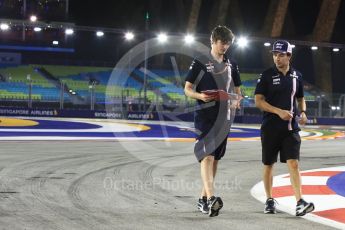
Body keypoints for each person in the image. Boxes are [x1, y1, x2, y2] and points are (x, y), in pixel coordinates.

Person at [184, 25, 242, 217]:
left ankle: (203, 199)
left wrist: (236, 101)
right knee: (207, 156)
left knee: (215, 159)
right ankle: (211, 198)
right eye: (221, 42)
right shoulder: (200, 62)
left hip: (224, 118)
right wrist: (200, 96)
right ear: (213, 41)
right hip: (204, 116)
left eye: (228, 43)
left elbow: (238, 91)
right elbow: (187, 89)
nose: (225, 46)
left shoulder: (232, 64)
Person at [254, 40, 315, 216]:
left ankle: (299, 202)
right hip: (270, 128)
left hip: (291, 129)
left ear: (289, 56)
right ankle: (269, 200)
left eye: (281, 54)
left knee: (294, 163)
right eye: (274, 54)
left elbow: (301, 97)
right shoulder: (266, 75)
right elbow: (259, 101)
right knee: (268, 164)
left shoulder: (298, 76)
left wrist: (303, 112)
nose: (277, 58)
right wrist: (278, 111)